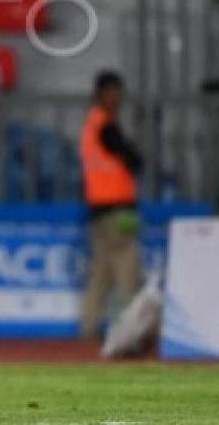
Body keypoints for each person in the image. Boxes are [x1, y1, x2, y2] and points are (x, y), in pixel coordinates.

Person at [78, 71, 143, 341]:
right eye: (112, 92)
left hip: (98, 210)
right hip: (118, 209)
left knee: (101, 275)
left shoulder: (90, 127)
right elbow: (134, 160)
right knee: (128, 273)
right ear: (101, 94)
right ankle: (129, 334)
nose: (116, 98)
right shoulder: (106, 126)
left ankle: (89, 328)